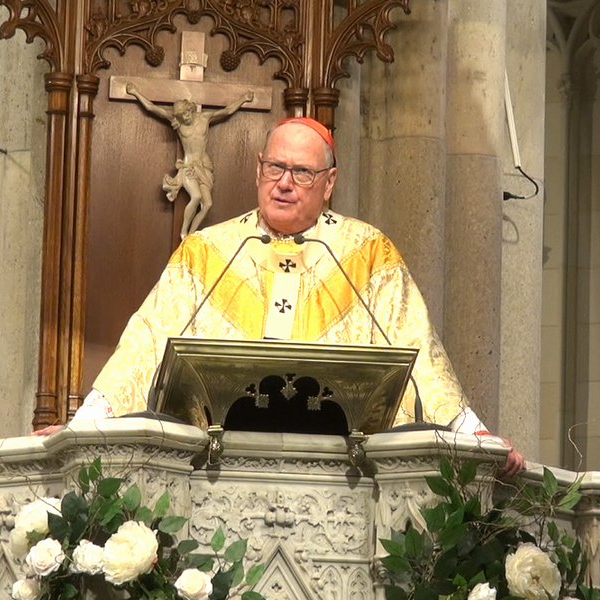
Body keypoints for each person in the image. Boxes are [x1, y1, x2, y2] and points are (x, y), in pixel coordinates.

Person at [36, 117, 525, 478]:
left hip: (341, 476)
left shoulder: (368, 254)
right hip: (215, 472)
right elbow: (144, 345)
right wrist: (83, 427)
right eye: (275, 167)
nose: (284, 183)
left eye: (302, 173)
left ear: (329, 183)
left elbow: (420, 354)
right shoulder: (207, 252)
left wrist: (475, 436)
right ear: (257, 169)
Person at [126, 83, 254, 239]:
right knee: (196, 197)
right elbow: (153, 108)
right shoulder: (177, 123)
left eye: (186, 114)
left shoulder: (204, 118)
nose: (185, 118)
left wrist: (243, 99)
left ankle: (191, 234)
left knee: (207, 204)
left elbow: (227, 111)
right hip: (188, 166)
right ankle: (183, 232)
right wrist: (135, 92)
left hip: (204, 166)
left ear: (190, 110)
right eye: (181, 116)